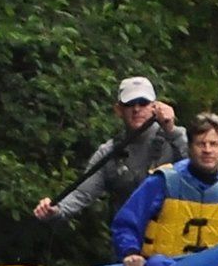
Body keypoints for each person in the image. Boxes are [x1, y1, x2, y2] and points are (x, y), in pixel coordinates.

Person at [110, 112, 218, 266]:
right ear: (190, 147)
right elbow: (126, 223)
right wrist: (130, 253)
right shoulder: (162, 182)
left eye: (214, 144)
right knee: (156, 264)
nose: (207, 150)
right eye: (201, 144)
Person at [32, 76, 188, 225]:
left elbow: (202, 168)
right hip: (128, 241)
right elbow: (82, 194)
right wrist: (56, 210)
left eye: (143, 103)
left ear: (155, 107)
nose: (136, 109)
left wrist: (171, 129)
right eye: (130, 104)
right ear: (118, 110)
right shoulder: (109, 153)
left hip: (173, 239)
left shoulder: (175, 139)